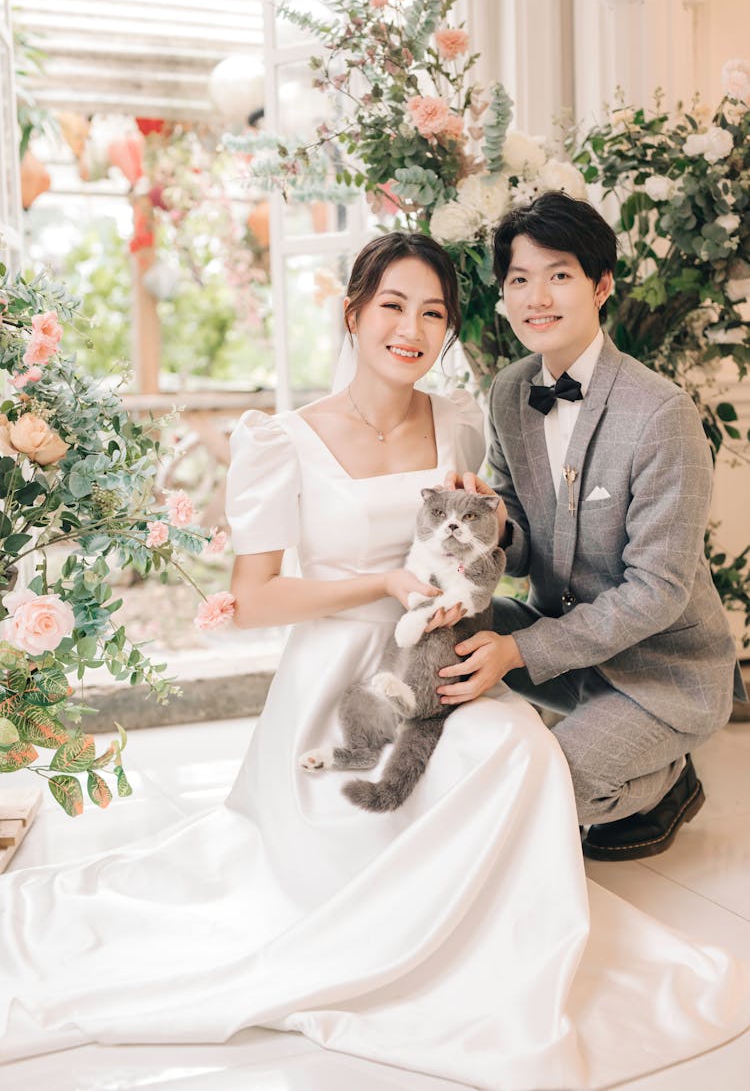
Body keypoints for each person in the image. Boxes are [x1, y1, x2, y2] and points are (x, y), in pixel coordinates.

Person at [1, 231, 749, 1091]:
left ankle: (501, 946)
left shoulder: (468, 417)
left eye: (433, 312)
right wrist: (376, 584)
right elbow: (251, 598)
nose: (412, 327)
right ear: (353, 313)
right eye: (392, 305)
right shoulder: (281, 439)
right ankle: (389, 938)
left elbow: (496, 555)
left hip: (440, 656)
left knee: (517, 756)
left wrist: (486, 546)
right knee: (357, 833)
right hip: (336, 676)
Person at [436, 192, 745, 861]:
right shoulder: (510, 393)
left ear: (602, 285)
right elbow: (519, 546)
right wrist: (489, 523)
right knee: (448, 630)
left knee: (543, 795)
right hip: (566, 645)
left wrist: (518, 653)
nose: (535, 296)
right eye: (519, 279)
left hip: (663, 671)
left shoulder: (660, 413)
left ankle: (667, 778)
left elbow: (658, 590)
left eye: (559, 274)